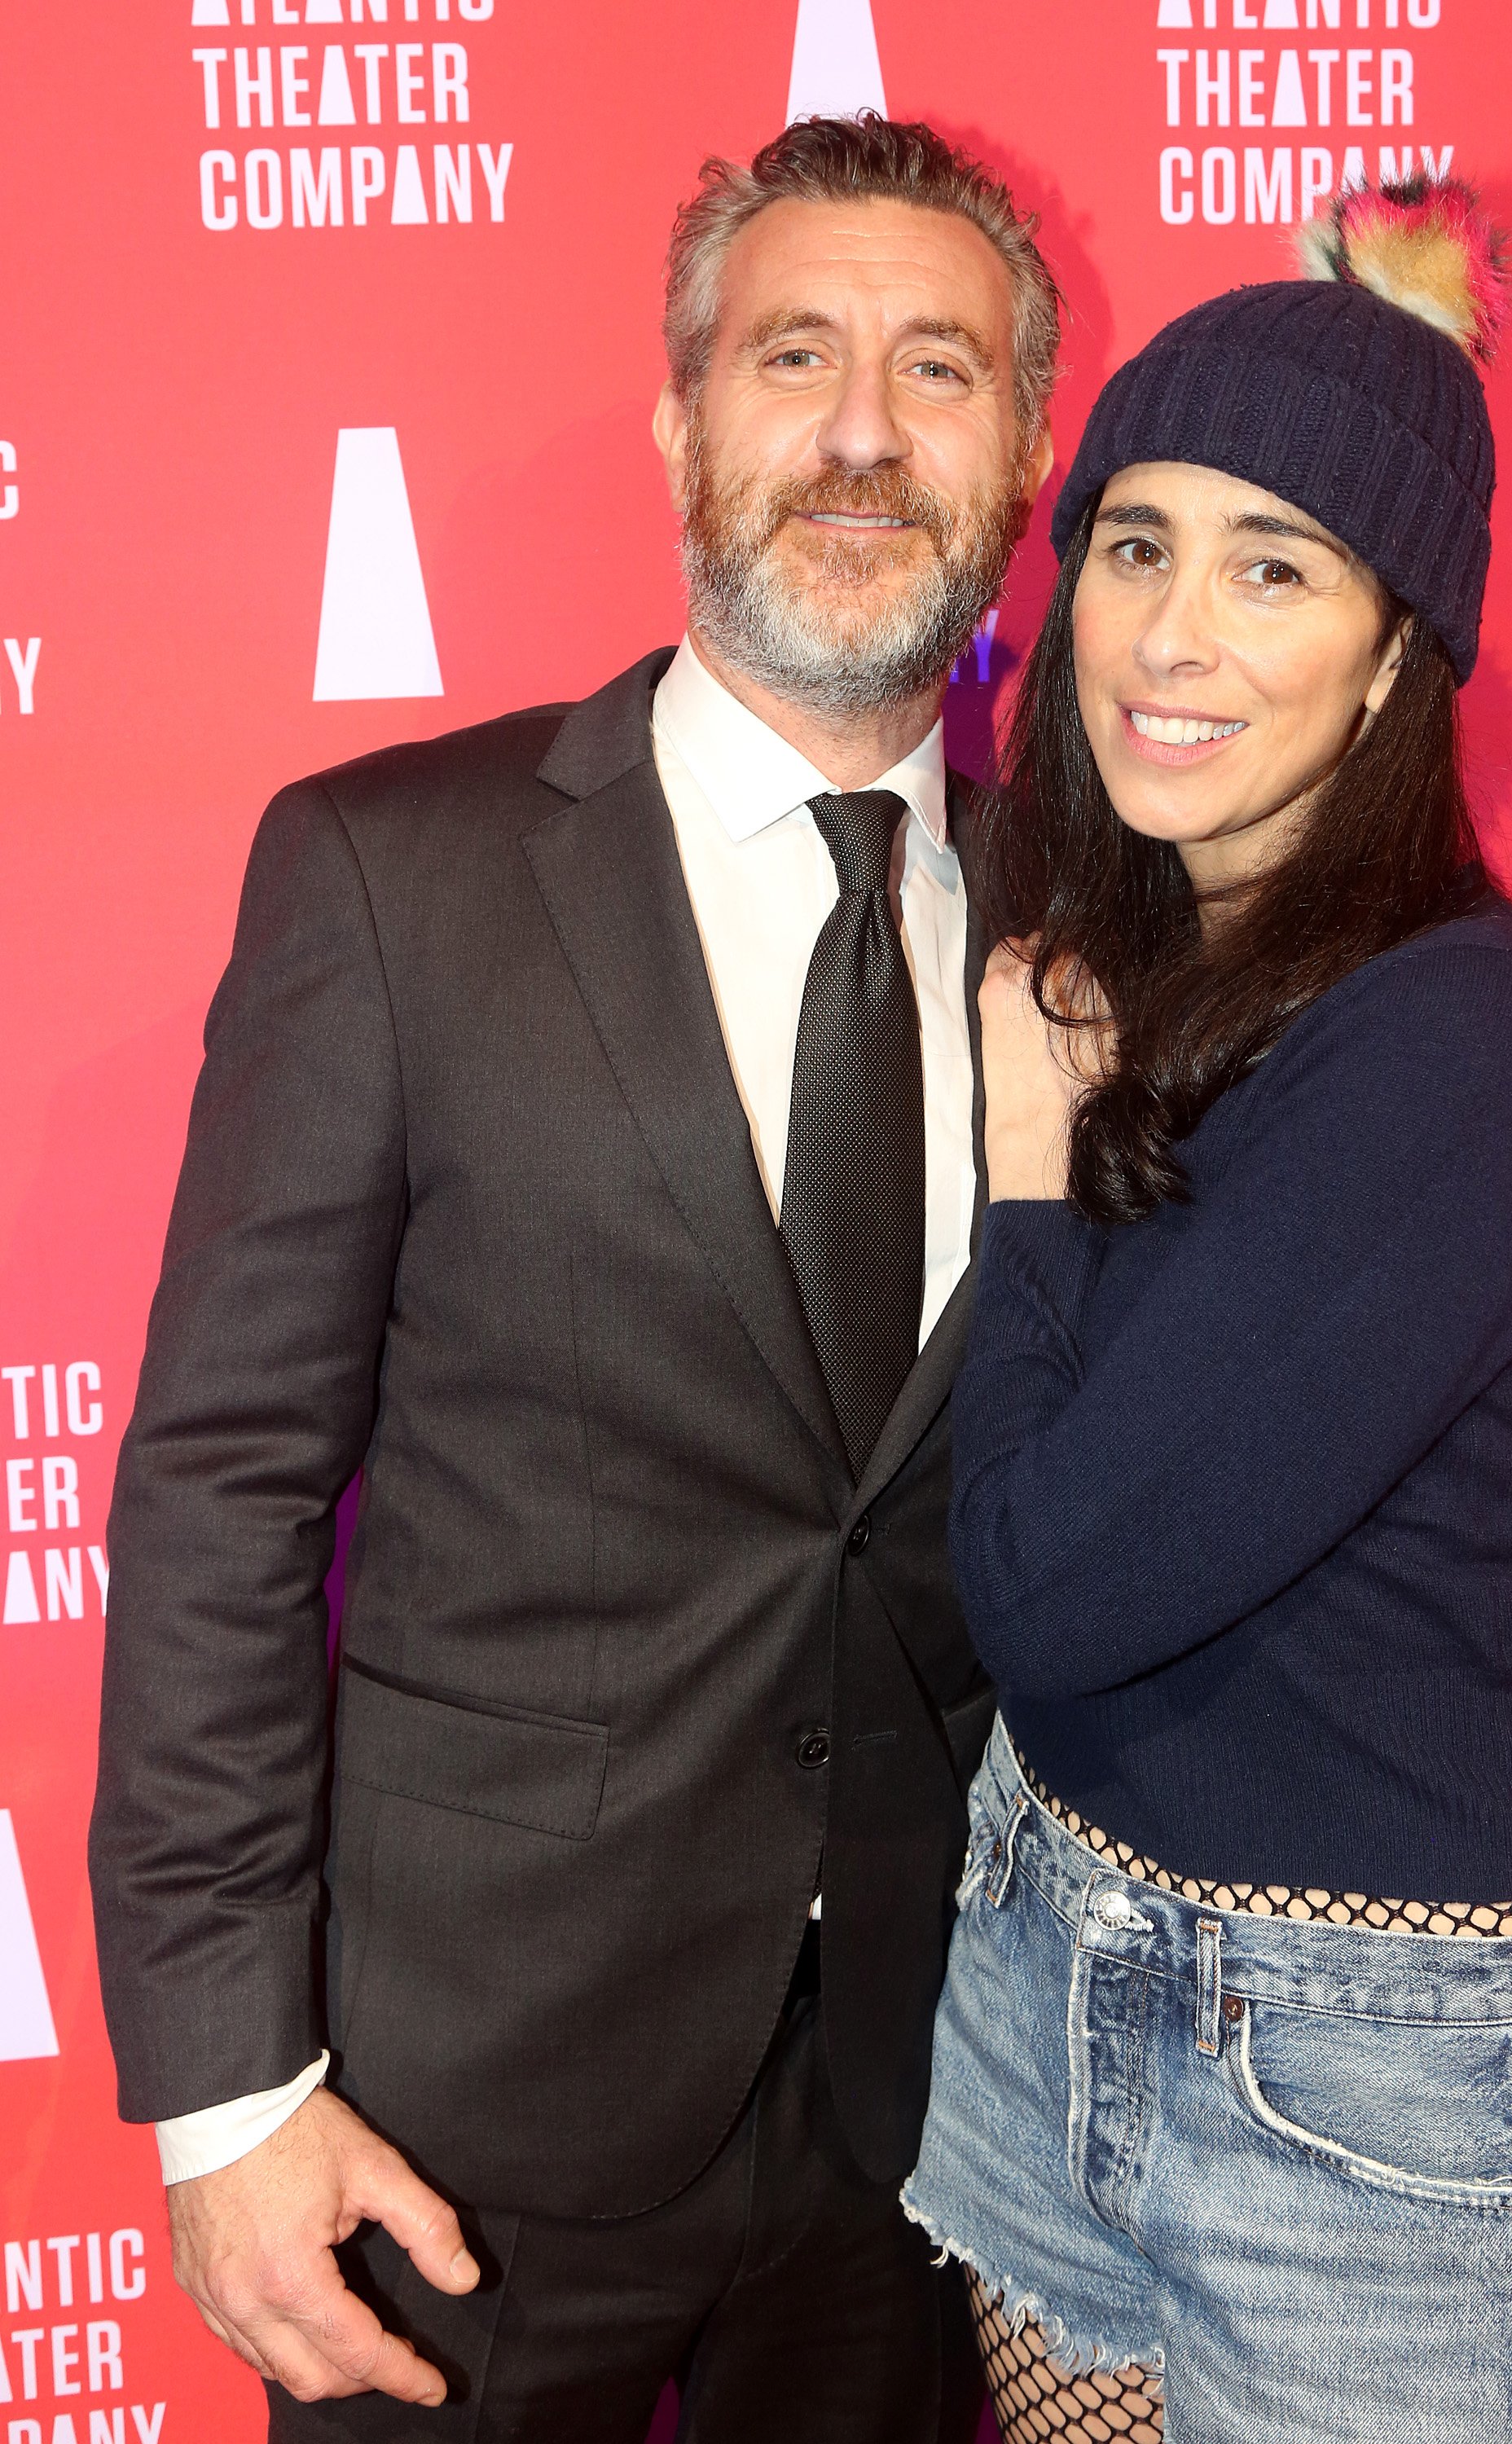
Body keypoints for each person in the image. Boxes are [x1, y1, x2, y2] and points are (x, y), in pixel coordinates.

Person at [88, 116, 1060, 2442]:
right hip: (458, 2145)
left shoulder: (1099, 935)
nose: (857, 429)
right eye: (792, 354)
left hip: (933, 2140)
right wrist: (228, 2102)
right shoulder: (392, 881)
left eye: (937, 371)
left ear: (1021, 449)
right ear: (678, 422)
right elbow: (224, 1493)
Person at [902, 178, 1512, 2443]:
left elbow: (1047, 1582)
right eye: (1136, 544)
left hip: (1369, 2101)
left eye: (1271, 568)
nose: (1168, 633)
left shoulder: (1468, 1036)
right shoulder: (1154, 963)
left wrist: (1025, 1170)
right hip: (1048, 1955)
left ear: (1393, 652)